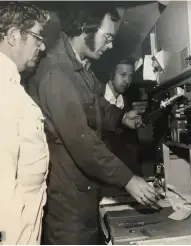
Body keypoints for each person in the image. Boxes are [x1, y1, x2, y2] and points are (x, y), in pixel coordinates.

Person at [27, 4, 161, 245]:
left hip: (84, 195)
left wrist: (121, 117)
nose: (110, 46)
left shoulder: (80, 69)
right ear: (83, 28)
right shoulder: (57, 75)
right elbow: (84, 144)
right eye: (107, 37)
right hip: (68, 207)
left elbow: (97, 100)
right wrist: (129, 180)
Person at [0, 2, 50, 244]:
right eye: (36, 37)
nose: (42, 45)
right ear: (13, 37)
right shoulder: (3, 91)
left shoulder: (10, 83)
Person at [102, 59, 142, 176]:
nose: (127, 81)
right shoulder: (96, 96)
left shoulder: (128, 104)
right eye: (123, 75)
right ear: (111, 74)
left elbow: (132, 148)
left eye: (130, 76)